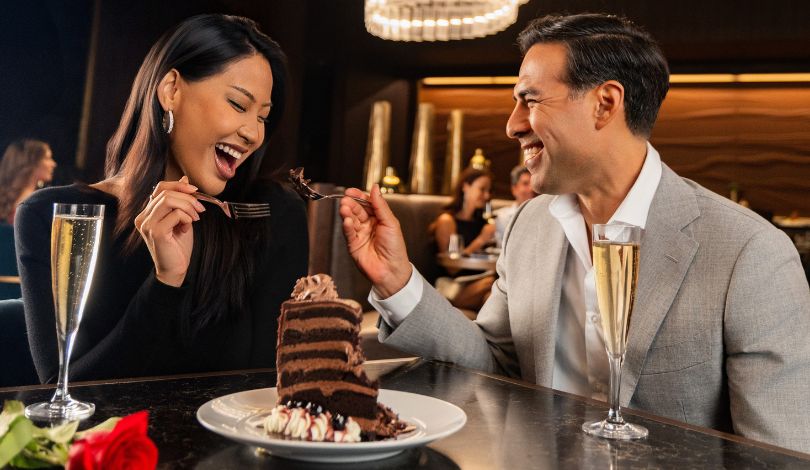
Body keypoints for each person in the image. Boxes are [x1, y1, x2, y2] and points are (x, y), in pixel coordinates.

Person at [338, 13, 810, 452]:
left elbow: (778, 457)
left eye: (530, 100)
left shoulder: (750, 252)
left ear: (605, 104)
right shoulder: (528, 226)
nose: (512, 126)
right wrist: (398, 281)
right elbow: (496, 364)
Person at [17, 14, 308, 383]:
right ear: (171, 89)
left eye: (263, 117)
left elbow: (270, 392)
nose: (253, 133)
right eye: (238, 104)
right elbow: (67, 398)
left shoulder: (271, 214)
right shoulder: (54, 216)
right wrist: (165, 284)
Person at [431, 167, 496, 311]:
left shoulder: (481, 223)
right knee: (495, 283)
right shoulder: (447, 221)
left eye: (489, 191)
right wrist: (480, 241)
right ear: (465, 187)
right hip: (452, 287)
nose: (486, 195)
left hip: (478, 284)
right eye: (482, 189)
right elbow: (452, 267)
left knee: (492, 296)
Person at [0, 139, 57, 224]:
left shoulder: (9, 198)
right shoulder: (32, 203)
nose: (53, 164)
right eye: (47, 158)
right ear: (32, 162)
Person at [493, 165, 536, 246]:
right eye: (525, 183)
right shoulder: (502, 217)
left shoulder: (544, 215)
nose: (531, 189)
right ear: (514, 189)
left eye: (533, 183)